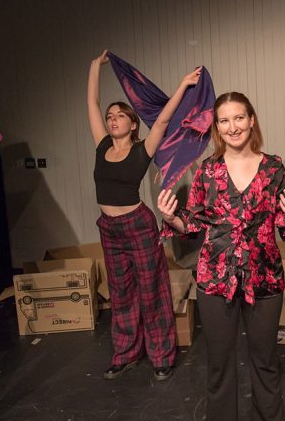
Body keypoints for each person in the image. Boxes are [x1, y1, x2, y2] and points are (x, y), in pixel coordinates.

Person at [156, 91, 285, 421]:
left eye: (239, 118)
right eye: (224, 121)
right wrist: (172, 219)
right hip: (216, 279)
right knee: (219, 365)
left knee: (265, 362)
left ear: (252, 120)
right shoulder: (207, 172)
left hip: (264, 278)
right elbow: (194, 225)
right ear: (217, 128)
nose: (233, 126)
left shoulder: (274, 169)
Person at [86, 52, 201, 382]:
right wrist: (95, 67)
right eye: (110, 116)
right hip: (109, 228)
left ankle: (162, 356)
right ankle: (125, 353)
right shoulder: (100, 145)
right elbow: (92, 104)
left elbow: (164, 121)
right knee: (121, 293)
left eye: (120, 116)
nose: (112, 120)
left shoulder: (142, 149)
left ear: (132, 123)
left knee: (152, 290)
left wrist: (181, 85)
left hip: (137, 225)